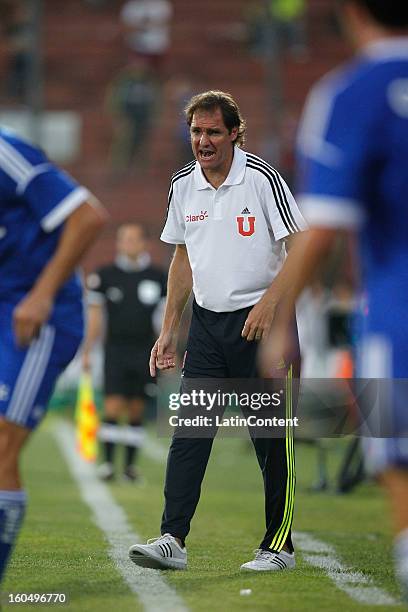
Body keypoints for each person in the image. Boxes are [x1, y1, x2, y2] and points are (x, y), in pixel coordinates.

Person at [261, 0, 408, 597]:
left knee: (396, 458)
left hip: (400, 309)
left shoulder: (353, 92)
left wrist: (276, 314)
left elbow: (322, 225)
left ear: (351, 12)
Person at [128, 90, 307, 571]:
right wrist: (168, 331)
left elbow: (301, 246)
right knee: (190, 432)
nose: (202, 141)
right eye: (196, 131)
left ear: (233, 134)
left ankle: (279, 546)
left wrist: (270, 306)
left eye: (212, 131)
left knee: (271, 439)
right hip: (207, 326)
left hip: (264, 325)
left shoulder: (263, 179)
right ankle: (172, 538)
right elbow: (182, 258)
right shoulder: (183, 184)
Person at [0, 127, 107, 583]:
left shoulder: (6, 152)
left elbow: (88, 217)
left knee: (2, 446)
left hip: (38, 316)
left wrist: (42, 294)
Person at [83, 223, 166, 481]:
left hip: (145, 351)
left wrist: (165, 348)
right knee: (112, 405)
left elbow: (164, 319)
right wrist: (87, 350)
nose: (127, 244)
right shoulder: (104, 275)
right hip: (115, 350)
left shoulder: (159, 277)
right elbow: (96, 318)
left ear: (144, 243)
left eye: (132, 239)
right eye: (123, 239)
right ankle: (108, 465)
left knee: (136, 409)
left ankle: (130, 468)